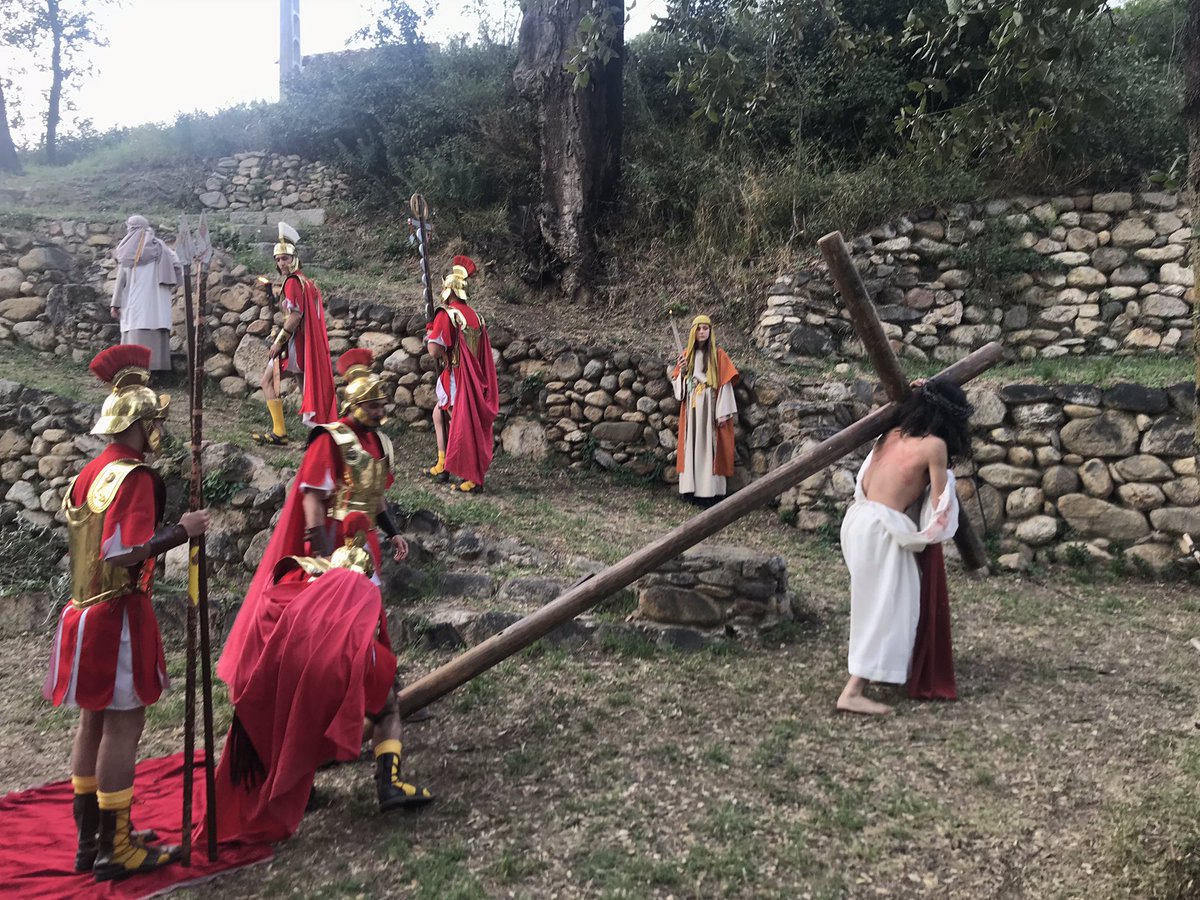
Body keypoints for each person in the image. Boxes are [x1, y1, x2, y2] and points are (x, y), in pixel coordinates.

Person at [42, 344, 210, 881]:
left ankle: (90, 841)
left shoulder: (90, 472)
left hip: (82, 611)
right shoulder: (135, 477)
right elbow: (121, 550)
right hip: (116, 615)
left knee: (94, 721)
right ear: (142, 423)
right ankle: (117, 849)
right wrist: (181, 532)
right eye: (155, 420)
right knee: (124, 725)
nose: (159, 429)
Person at [200, 513, 432, 846]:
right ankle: (390, 782)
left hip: (284, 657)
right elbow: (377, 644)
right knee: (388, 709)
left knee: (291, 715)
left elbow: (268, 608)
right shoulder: (364, 591)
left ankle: (297, 788)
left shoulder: (299, 571)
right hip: (339, 662)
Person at [836, 379, 973, 716]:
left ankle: (883, 671)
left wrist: (915, 392)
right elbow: (941, 503)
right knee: (890, 608)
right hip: (883, 530)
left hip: (856, 521)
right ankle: (853, 691)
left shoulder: (892, 432)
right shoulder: (935, 447)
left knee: (880, 602)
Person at [252, 222, 337, 445]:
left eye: (285, 258)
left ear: (294, 258)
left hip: (294, 344)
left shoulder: (292, 282)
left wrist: (278, 342)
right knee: (304, 384)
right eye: (278, 259)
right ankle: (318, 434)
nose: (281, 263)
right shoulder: (307, 282)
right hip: (303, 343)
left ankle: (279, 432)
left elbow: (295, 316)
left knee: (266, 381)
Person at [424, 255, 498, 493]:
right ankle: (443, 462)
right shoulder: (475, 315)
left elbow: (435, 350)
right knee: (440, 413)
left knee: (462, 423)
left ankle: (473, 477)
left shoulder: (448, 314)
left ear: (448, 291)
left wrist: (430, 332)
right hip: (470, 377)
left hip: (458, 377)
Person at [671, 315, 739, 505]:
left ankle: (711, 492)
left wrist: (722, 411)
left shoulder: (719, 355)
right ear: (693, 332)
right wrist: (683, 374)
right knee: (692, 445)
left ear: (710, 331)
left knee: (710, 447)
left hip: (710, 404)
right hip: (692, 407)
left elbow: (725, 384)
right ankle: (690, 490)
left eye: (705, 329)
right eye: (699, 329)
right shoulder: (686, 356)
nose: (702, 332)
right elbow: (679, 387)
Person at [110, 215, 181, 373]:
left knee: (135, 331)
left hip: (135, 301)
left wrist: (115, 304)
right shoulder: (161, 247)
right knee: (155, 327)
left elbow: (121, 281)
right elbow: (178, 265)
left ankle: (135, 371)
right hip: (157, 304)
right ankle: (155, 371)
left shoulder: (127, 250)